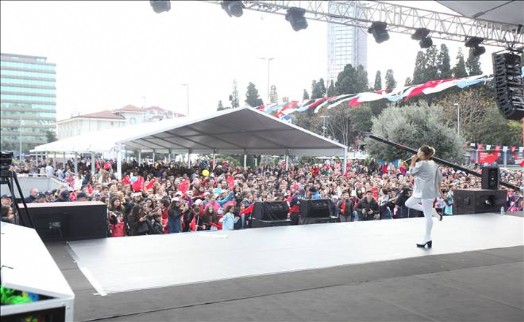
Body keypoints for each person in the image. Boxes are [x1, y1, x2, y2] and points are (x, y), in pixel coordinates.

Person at [405, 145, 443, 249]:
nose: (417, 153)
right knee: (408, 203)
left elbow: (411, 172)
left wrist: (413, 161)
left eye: (418, 151)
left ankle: (427, 238)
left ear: (423, 154)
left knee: (427, 216)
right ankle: (432, 211)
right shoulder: (432, 163)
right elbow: (439, 177)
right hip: (423, 191)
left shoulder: (422, 164)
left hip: (425, 192)